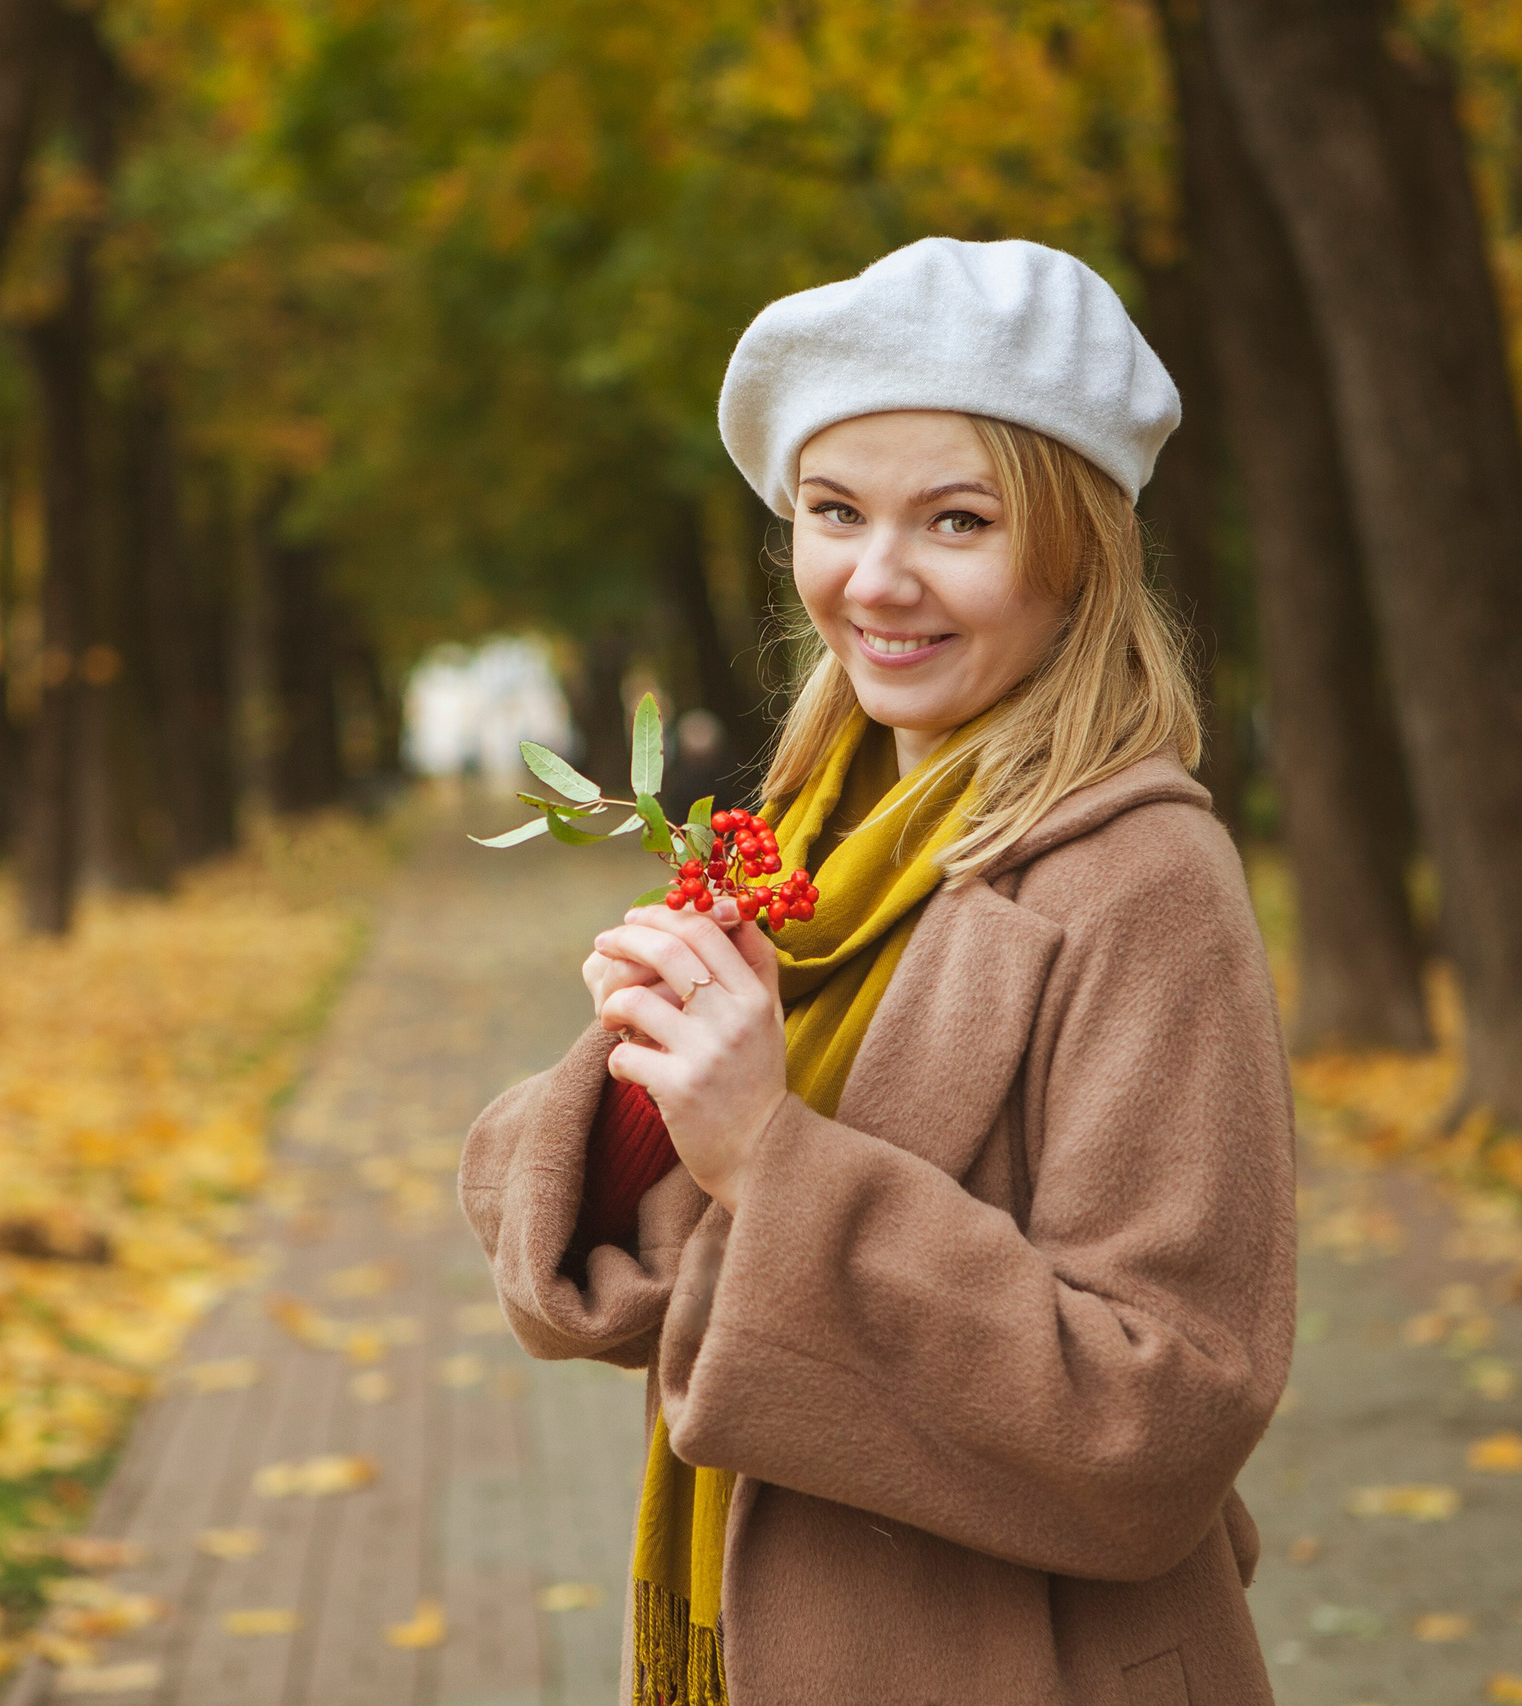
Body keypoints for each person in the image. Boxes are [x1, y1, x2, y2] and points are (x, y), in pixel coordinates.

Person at [460, 237, 1296, 1705]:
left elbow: (1161, 1412)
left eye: (956, 521)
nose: (877, 578)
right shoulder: (809, 843)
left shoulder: (1142, 879)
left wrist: (772, 1155)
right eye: (833, 511)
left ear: (1074, 552)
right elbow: (610, 1289)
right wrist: (646, 1096)